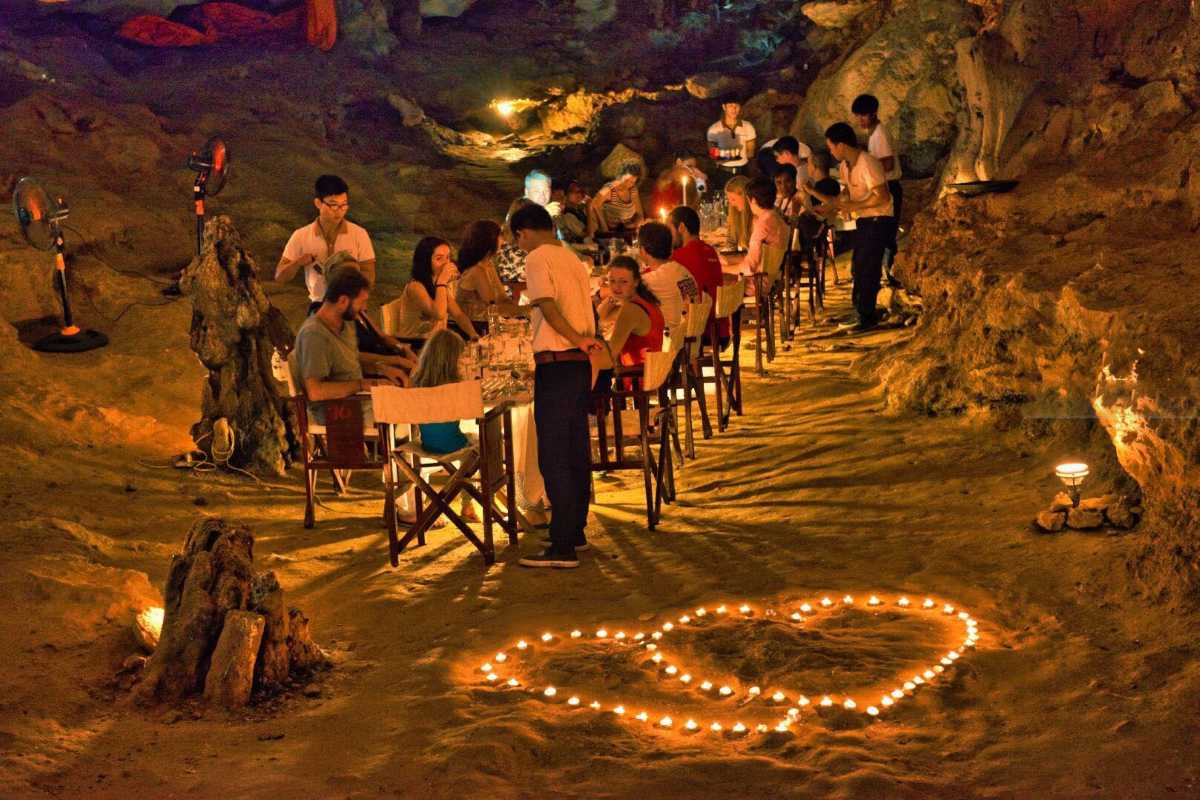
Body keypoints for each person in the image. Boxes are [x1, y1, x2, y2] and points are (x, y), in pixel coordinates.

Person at [512, 204, 600, 568]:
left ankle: (562, 545)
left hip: (558, 362)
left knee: (554, 454)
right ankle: (574, 530)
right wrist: (585, 342)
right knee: (576, 448)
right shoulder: (571, 258)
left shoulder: (536, 259)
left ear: (523, 232)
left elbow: (547, 306)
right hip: (578, 365)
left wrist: (576, 339)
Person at [804, 122, 893, 331]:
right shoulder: (845, 167)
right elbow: (844, 197)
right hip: (863, 219)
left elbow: (882, 197)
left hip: (879, 219)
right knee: (858, 265)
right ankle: (860, 310)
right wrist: (828, 207)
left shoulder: (868, 163)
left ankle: (866, 315)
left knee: (867, 266)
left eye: (832, 146)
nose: (831, 151)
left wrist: (854, 205)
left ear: (841, 145)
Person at [291, 267, 406, 426]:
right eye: (362, 301)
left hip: (359, 399)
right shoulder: (315, 335)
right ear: (343, 300)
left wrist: (382, 369)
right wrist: (363, 384)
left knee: (411, 395)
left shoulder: (346, 323)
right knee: (410, 406)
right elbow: (316, 391)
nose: (364, 307)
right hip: (339, 412)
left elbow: (351, 358)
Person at [276, 175, 376, 313]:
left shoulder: (359, 234)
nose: (340, 210)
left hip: (351, 307)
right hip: (318, 307)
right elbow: (280, 276)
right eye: (333, 205)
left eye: (344, 205)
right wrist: (298, 262)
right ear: (318, 203)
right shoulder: (301, 235)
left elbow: (369, 274)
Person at [409, 328, 480, 522]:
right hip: (454, 445)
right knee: (480, 445)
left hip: (425, 445)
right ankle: (466, 502)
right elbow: (474, 413)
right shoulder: (457, 386)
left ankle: (436, 502)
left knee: (463, 438)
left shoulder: (416, 383)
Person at [851, 93, 903, 284]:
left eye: (863, 116)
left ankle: (892, 274)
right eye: (857, 116)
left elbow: (887, 164)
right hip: (886, 186)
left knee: (887, 234)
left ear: (873, 114)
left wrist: (866, 169)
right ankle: (888, 274)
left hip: (889, 187)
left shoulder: (879, 134)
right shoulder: (873, 134)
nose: (860, 120)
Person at [392, 237, 480, 340]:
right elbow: (439, 314)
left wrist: (474, 334)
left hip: (435, 343)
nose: (446, 263)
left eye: (447, 257)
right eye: (439, 258)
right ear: (425, 261)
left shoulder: (437, 284)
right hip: (417, 346)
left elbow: (458, 314)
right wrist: (442, 281)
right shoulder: (415, 287)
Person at [668, 205, 729, 342]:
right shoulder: (710, 250)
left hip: (700, 332)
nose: (668, 235)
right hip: (720, 329)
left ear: (681, 227)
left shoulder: (679, 257)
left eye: (669, 229)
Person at [595, 255, 665, 370]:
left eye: (623, 282)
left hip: (636, 379)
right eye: (612, 281)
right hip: (651, 375)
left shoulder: (631, 309)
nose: (616, 287)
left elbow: (608, 360)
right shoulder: (646, 300)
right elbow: (600, 318)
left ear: (636, 282)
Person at [455, 220, 524, 323]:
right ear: (489, 239)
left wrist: (521, 307)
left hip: (488, 323)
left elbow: (502, 298)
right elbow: (494, 307)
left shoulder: (488, 265)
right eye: (500, 236)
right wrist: (527, 309)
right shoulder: (476, 271)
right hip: (475, 327)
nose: (503, 240)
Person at [636, 221, 700, 329]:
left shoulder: (654, 279)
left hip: (671, 341)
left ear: (643, 250)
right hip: (690, 340)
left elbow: (618, 291)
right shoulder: (682, 271)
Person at [739, 177, 790, 277]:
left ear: (752, 200)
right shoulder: (777, 218)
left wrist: (720, 268)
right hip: (770, 279)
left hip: (754, 283)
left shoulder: (763, 225)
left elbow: (749, 267)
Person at [588, 162, 644, 240]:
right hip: (612, 234)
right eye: (626, 180)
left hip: (628, 232)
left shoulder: (633, 190)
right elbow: (593, 204)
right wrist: (605, 229)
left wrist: (633, 224)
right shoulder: (609, 189)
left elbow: (640, 214)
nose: (627, 184)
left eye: (632, 182)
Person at [706, 100, 756, 180]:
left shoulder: (748, 126)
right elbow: (712, 154)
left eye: (737, 105)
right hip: (724, 172)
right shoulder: (714, 129)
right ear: (724, 107)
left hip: (743, 171)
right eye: (730, 106)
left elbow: (750, 153)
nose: (734, 108)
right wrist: (727, 156)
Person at [553, 179, 590, 244]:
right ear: (565, 195)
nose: (579, 195)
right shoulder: (568, 215)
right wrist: (589, 209)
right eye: (573, 192)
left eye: (580, 191)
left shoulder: (579, 211)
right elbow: (587, 235)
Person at [723, 174, 752, 255]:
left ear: (746, 197)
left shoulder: (758, 217)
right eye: (729, 200)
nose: (731, 204)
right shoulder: (735, 215)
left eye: (733, 199)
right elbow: (731, 242)